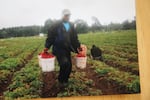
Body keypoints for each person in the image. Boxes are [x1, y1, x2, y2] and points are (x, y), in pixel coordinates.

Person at [44, 9, 82, 86]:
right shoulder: (56, 24)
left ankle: (65, 80)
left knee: (69, 66)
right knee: (64, 63)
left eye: (69, 15)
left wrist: (78, 46)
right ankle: (61, 80)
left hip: (67, 48)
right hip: (58, 48)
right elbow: (51, 36)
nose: (67, 17)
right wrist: (47, 46)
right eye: (66, 15)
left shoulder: (71, 25)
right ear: (62, 15)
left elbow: (74, 38)